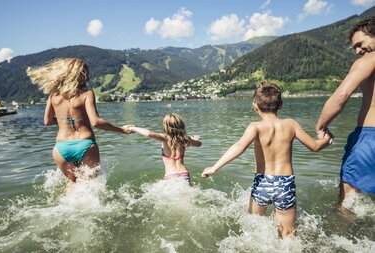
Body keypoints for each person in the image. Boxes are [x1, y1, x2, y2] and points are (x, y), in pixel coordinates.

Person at [202, 82, 333, 238]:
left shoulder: (255, 127)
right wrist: (325, 140)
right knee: (289, 235)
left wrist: (214, 167)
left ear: (255, 106)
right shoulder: (291, 124)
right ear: (281, 105)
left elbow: (239, 146)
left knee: (252, 230)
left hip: (262, 182)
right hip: (285, 183)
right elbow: (315, 146)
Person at [27, 58, 132, 188]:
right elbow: (96, 122)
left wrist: (64, 121)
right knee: (92, 185)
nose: (87, 77)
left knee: (72, 182)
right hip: (85, 145)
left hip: (60, 148)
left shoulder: (53, 96)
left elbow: (47, 121)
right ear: (79, 74)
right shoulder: (87, 94)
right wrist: (121, 129)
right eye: (86, 73)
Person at [316, 17, 375, 209]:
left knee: (348, 202)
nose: (358, 51)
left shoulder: (368, 60)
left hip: (369, 138)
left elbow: (341, 95)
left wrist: (321, 125)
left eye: (360, 44)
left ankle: (340, 233)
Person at [128, 113, 202, 184]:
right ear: (181, 125)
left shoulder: (165, 138)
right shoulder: (185, 139)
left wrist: (132, 128)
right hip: (184, 174)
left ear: (166, 126)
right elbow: (199, 144)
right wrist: (196, 139)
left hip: (170, 176)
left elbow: (149, 133)